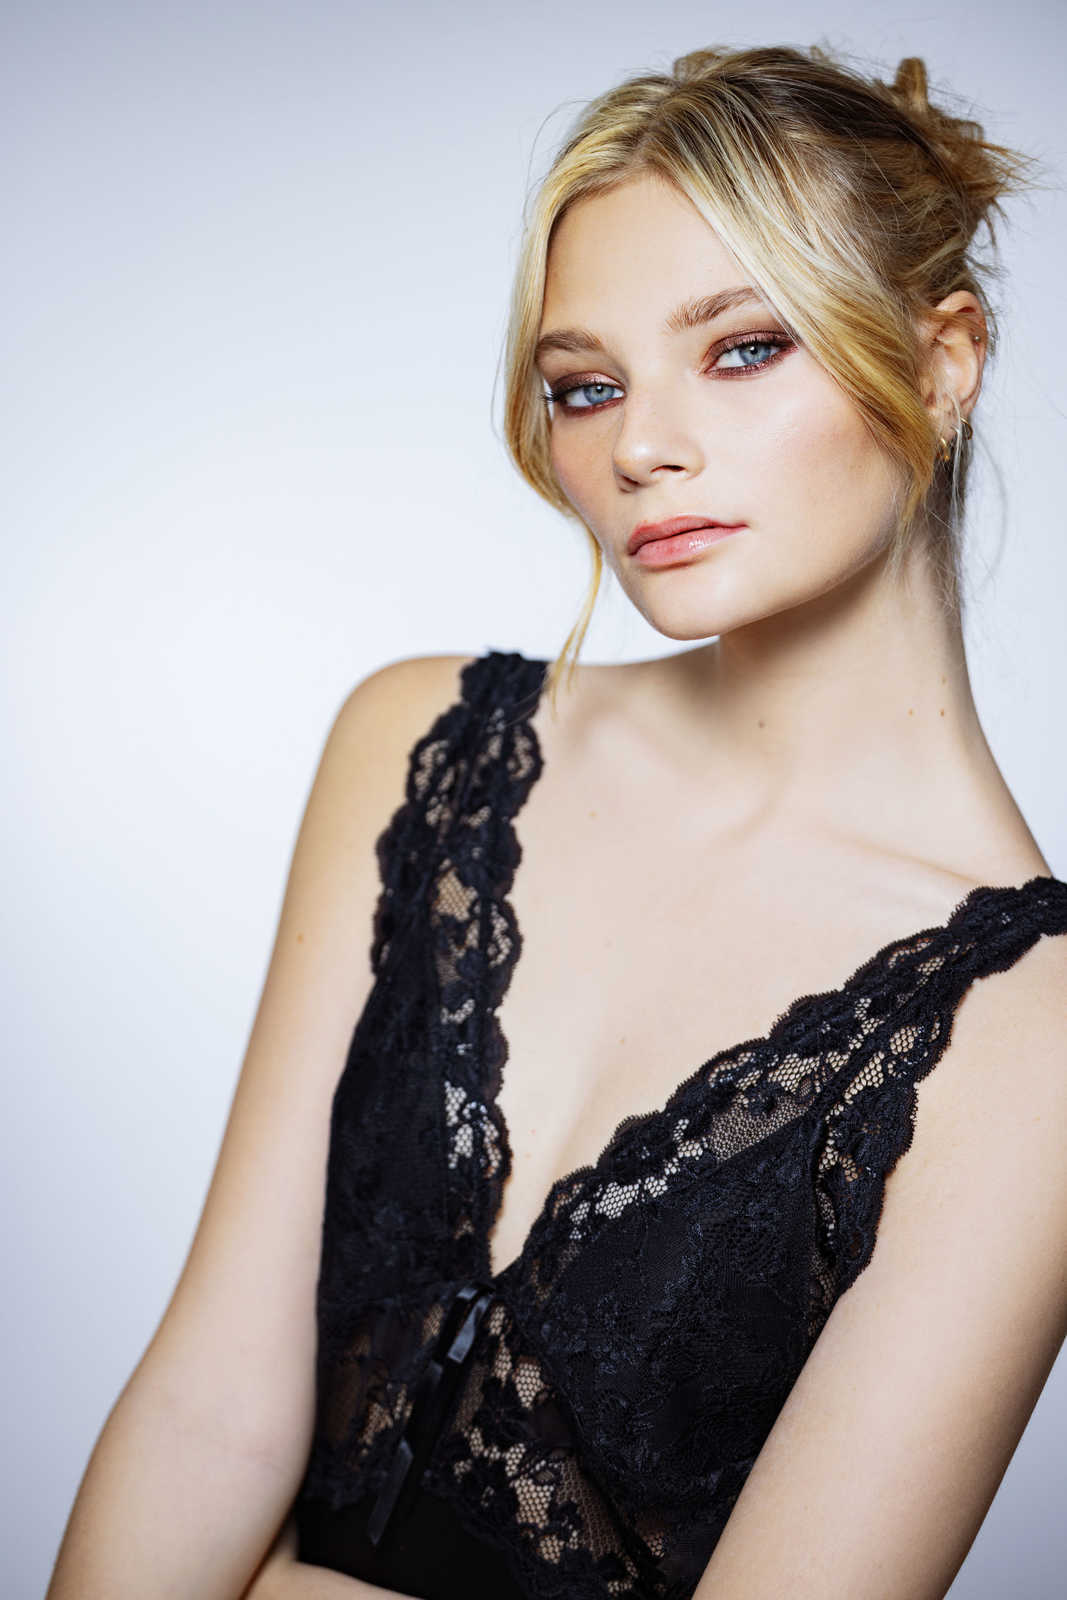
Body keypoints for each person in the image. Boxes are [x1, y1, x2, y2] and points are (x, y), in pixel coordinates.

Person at [46, 41, 1067, 1600]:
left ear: (941, 363)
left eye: (741, 349)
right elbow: (209, 1407)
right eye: (587, 385)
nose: (639, 445)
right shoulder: (425, 746)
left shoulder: (1035, 1036)